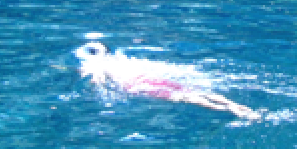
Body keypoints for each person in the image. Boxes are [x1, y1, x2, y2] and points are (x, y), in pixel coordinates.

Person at [76, 42, 260, 120]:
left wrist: (92, 85)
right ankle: (237, 105)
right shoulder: (119, 59)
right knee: (194, 91)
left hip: (137, 86)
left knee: (184, 98)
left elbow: (96, 82)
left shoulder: (96, 66)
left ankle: (232, 112)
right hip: (150, 77)